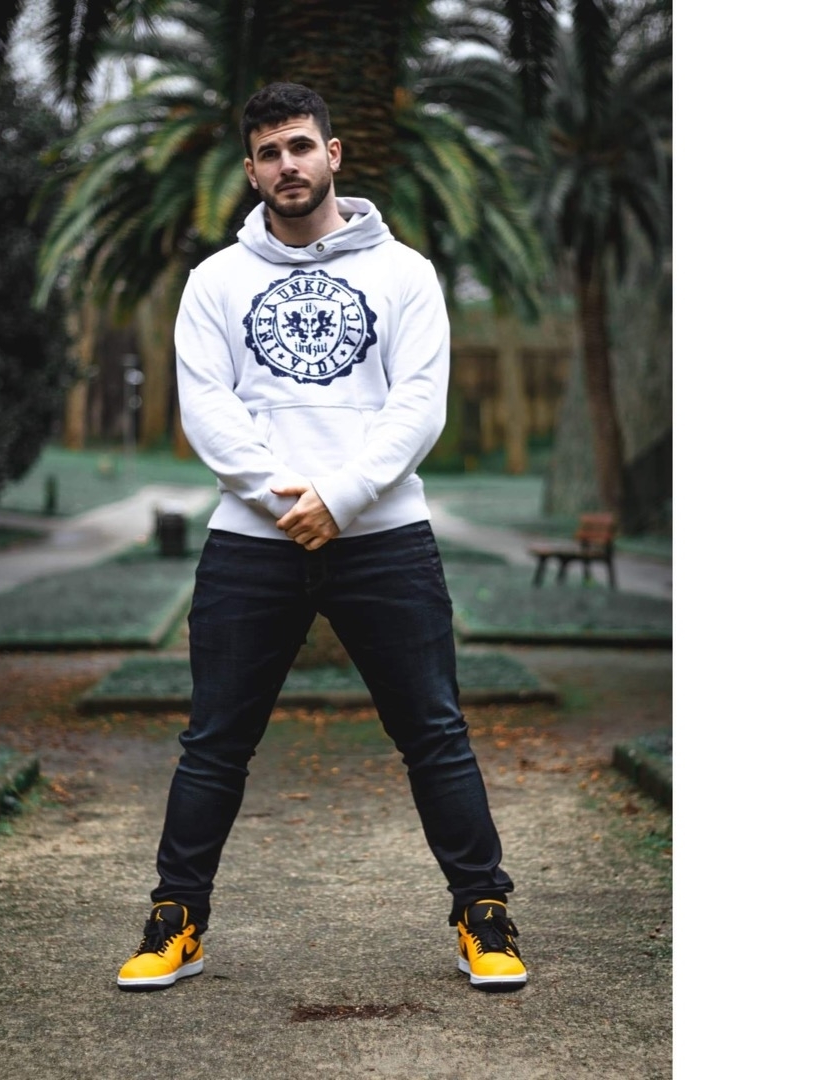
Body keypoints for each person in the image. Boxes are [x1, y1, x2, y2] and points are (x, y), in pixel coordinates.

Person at [117, 82, 526, 993]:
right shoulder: (215, 281)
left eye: (300, 145)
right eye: (268, 153)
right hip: (251, 542)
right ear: (251, 169)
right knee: (214, 743)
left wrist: (340, 498)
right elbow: (207, 408)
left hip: (386, 537)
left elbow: (418, 404)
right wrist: (287, 501)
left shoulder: (406, 273)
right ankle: (176, 919)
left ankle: (484, 913)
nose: (286, 165)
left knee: (435, 734)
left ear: (333, 154)